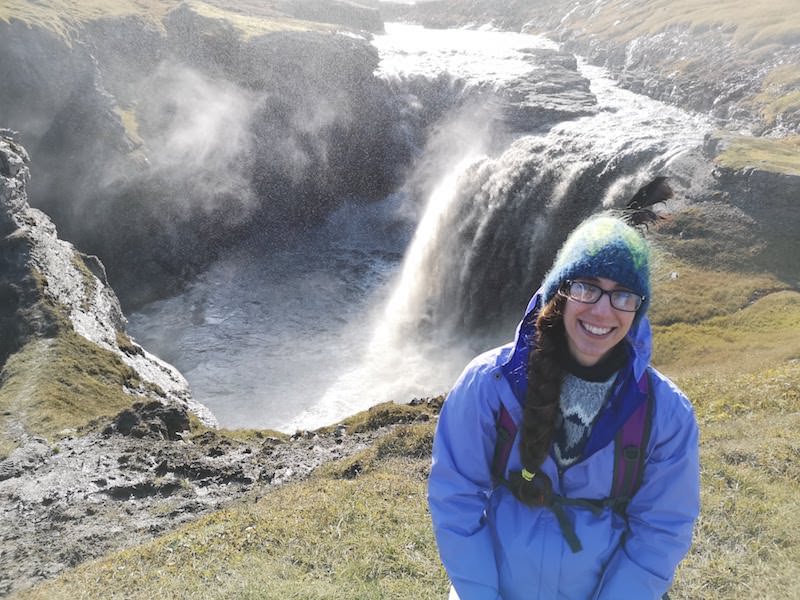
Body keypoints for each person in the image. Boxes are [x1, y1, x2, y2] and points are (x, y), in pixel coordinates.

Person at [428, 213, 700, 599]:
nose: (602, 311)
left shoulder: (667, 414)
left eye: (623, 295)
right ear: (561, 291)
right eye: (587, 288)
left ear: (638, 309)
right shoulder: (489, 382)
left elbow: (661, 530)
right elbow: (455, 498)